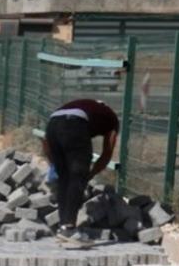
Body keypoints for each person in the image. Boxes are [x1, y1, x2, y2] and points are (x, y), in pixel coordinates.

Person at [42, 98, 120, 249]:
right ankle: (69, 229)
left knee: (65, 178)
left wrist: (55, 164)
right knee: (77, 176)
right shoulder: (111, 118)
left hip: (52, 125)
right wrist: (89, 175)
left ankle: (63, 228)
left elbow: (45, 142)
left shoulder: (82, 105)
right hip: (73, 125)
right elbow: (107, 152)